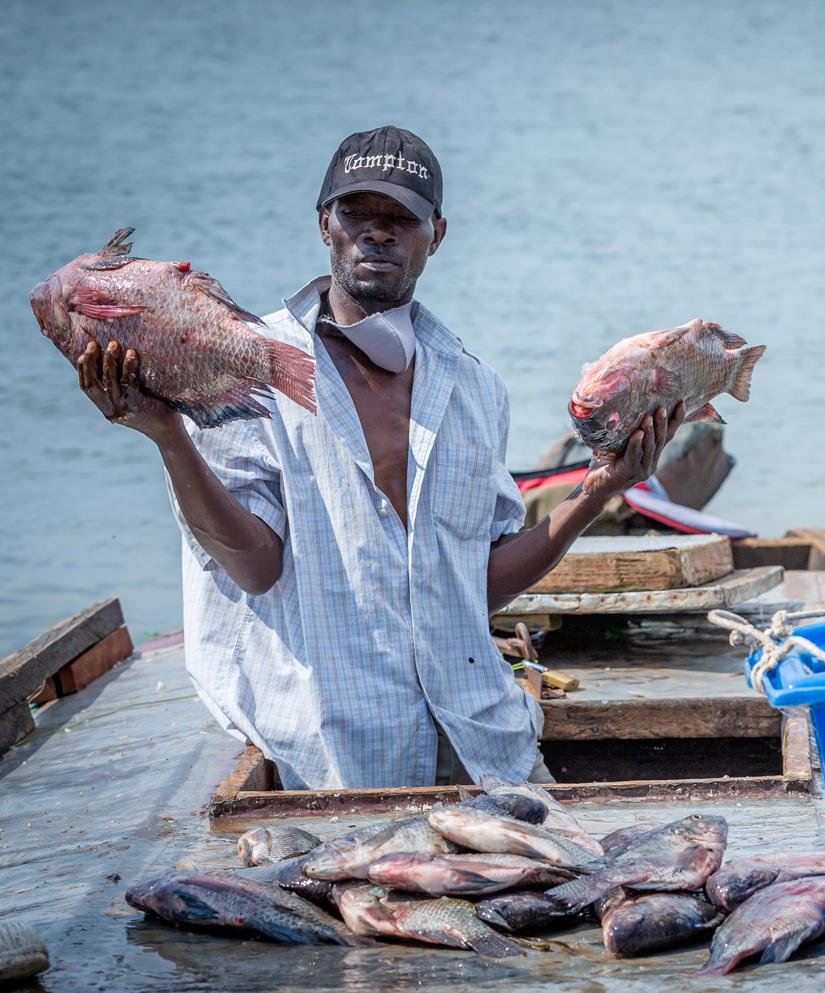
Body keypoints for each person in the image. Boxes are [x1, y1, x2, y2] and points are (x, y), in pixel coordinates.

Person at [71, 125, 683, 790]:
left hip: (484, 738)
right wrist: (168, 435)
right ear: (324, 224)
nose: (377, 234)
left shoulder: (473, 385)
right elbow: (253, 567)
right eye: (357, 212)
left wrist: (598, 490)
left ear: (436, 234)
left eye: (401, 219)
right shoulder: (247, 363)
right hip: (335, 757)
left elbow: (474, 588)